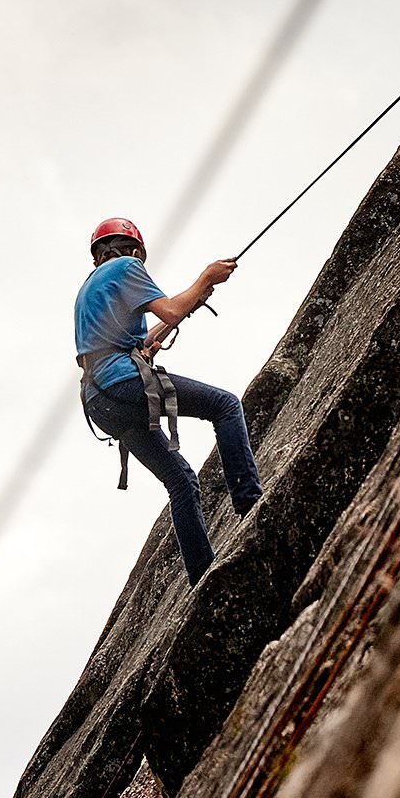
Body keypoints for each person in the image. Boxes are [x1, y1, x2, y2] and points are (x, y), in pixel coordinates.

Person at [75, 217, 262, 584]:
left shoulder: (87, 289)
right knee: (225, 406)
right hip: (123, 384)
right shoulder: (127, 267)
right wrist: (206, 277)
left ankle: (203, 578)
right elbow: (171, 310)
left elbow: (119, 346)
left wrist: (187, 305)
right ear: (134, 250)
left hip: (100, 401)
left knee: (180, 481)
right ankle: (251, 503)